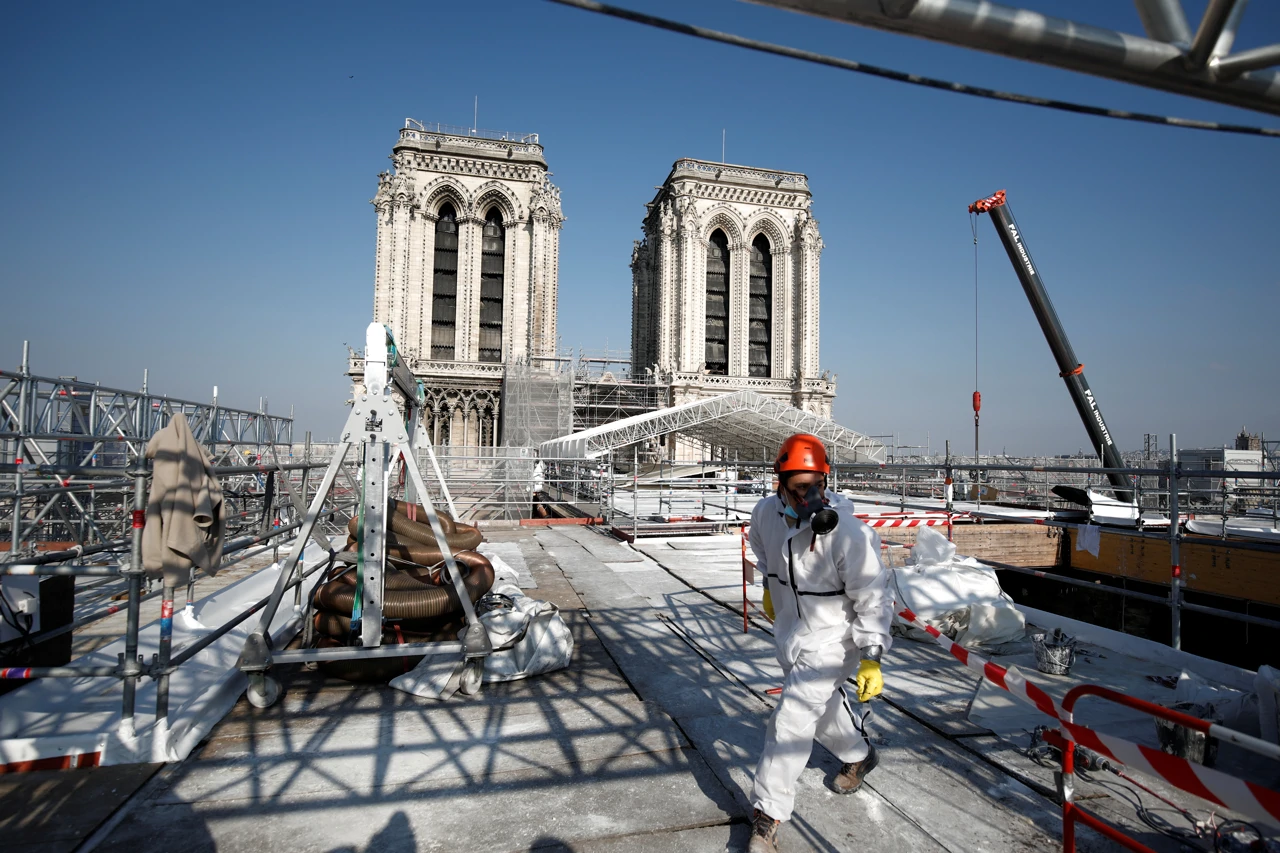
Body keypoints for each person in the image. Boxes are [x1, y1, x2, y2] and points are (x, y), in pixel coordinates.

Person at [747, 433, 894, 853]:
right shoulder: (766, 514)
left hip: (834, 639)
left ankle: (768, 814)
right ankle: (859, 754)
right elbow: (762, 550)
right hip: (791, 632)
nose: (809, 497)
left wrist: (871, 656)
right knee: (822, 708)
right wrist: (770, 587)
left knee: (791, 719)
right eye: (800, 488)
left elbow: (873, 596)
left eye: (816, 486)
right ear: (779, 484)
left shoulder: (850, 534)